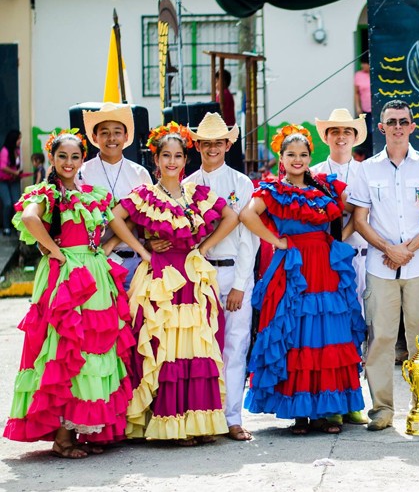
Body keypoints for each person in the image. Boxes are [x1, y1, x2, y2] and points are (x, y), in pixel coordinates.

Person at [3, 130, 146, 458]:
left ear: (83, 160)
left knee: (97, 349)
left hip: (96, 274)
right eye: (62, 156)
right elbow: (28, 218)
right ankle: (63, 438)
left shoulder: (91, 193)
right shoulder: (48, 193)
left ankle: (88, 429)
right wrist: (54, 250)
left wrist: (121, 246)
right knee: (69, 350)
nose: (68, 162)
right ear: (52, 158)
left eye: (75, 157)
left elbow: (117, 222)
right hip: (67, 277)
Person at [110, 122, 239, 445]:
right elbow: (113, 216)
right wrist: (143, 251)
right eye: (166, 155)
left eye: (178, 156)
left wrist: (204, 248)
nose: (172, 161)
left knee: (197, 348)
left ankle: (197, 421)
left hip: (191, 275)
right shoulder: (145, 195)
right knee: (163, 349)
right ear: (156, 159)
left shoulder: (196, 194)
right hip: (159, 277)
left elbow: (231, 217)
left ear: (185, 160)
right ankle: (170, 424)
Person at [240, 124, 366, 435]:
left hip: (324, 267)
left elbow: (357, 208)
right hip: (293, 269)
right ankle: (298, 414)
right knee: (295, 333)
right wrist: (275, 240)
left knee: (325, 334)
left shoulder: (325, 188)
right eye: (291, 154)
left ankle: (324, 411)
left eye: (303, 154)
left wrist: (338, 242)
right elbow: (246, 214)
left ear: (311, 158)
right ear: (280, 158)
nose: (298, 159)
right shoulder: (273, 191)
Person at [349, 99, 419, 431]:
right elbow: (360, 219)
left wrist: (408, 249)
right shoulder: (368, 170)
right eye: (390, 122)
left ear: (412, 126)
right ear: (381, 127)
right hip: (381, 268)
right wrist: (387, 248)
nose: (397, 127)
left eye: (402, 121)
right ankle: (382, 409)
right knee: (380, 338)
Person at [183, 112, 259, 441]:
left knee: (235, 345)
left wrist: (240, 285)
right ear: (197, 145)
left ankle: (232, 417)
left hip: (233, 270)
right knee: (200, 346)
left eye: (218, 142)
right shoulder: (187, 185)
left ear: (229, 144)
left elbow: (249, 238)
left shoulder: (241, 183)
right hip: (198, 273)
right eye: (206, 143)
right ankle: (204, 416)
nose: (212, 148)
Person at [312, 108, 370, 426]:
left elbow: (363, 215)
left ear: (354, 136)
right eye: (335, 131)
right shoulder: (315, 173)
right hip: (327, 263)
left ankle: (353, 398)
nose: (341, 136)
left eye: (346, 131)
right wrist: (333, 248)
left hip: (360, 257)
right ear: (327, 137)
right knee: (332, 330)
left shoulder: (366, 172)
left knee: (356, 330)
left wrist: (341, 240)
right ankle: (333, 396)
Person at [79, 103, 153, 287]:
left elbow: (143, 217)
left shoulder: (139, 173)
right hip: (96, 262)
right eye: (104, 132)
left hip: (134, 262)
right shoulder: (82, 173)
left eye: (117, 132)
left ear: (126, 136)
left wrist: (112, 242)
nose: (111, 138)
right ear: (95, 137)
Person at [0, 129, 23, 236]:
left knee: (16, 203)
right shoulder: (5, 151)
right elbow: (3, 167)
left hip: (13, 180)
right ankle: (6, 227)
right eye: (19, 138)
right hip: (3, 181)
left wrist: (17, 173)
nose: (20, 141)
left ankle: (17, 226)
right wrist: (14, 172)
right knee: (8, 203)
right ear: (13, 139)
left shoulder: (17, 151)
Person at [353, 55, 372, 157]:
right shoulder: (358, 75)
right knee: (365, 133)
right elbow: (356, 93)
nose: (363, 66)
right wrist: (358, 107)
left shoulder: (375, 74)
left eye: (365, 63)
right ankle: (364, 155)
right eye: (362, 63)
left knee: (374, 133)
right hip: (365, 110)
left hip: (376, 110)